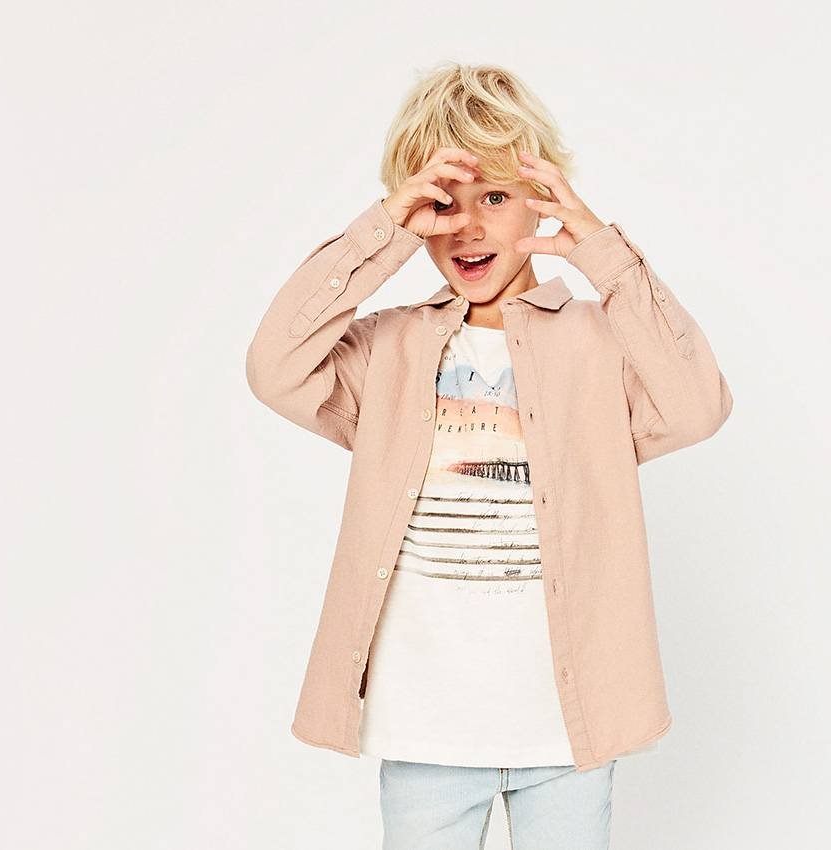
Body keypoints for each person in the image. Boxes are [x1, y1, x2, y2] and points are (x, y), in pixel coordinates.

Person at [245, 62, 733, 850]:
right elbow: (275, 367)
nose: (467, 227)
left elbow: (698, 405)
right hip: (425, 727)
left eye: (495, 198)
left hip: (566, 731)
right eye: (444, 203)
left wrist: (602, 253)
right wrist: (382, 234)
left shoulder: (598, 343)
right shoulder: (388, 349)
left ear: (542, 197)